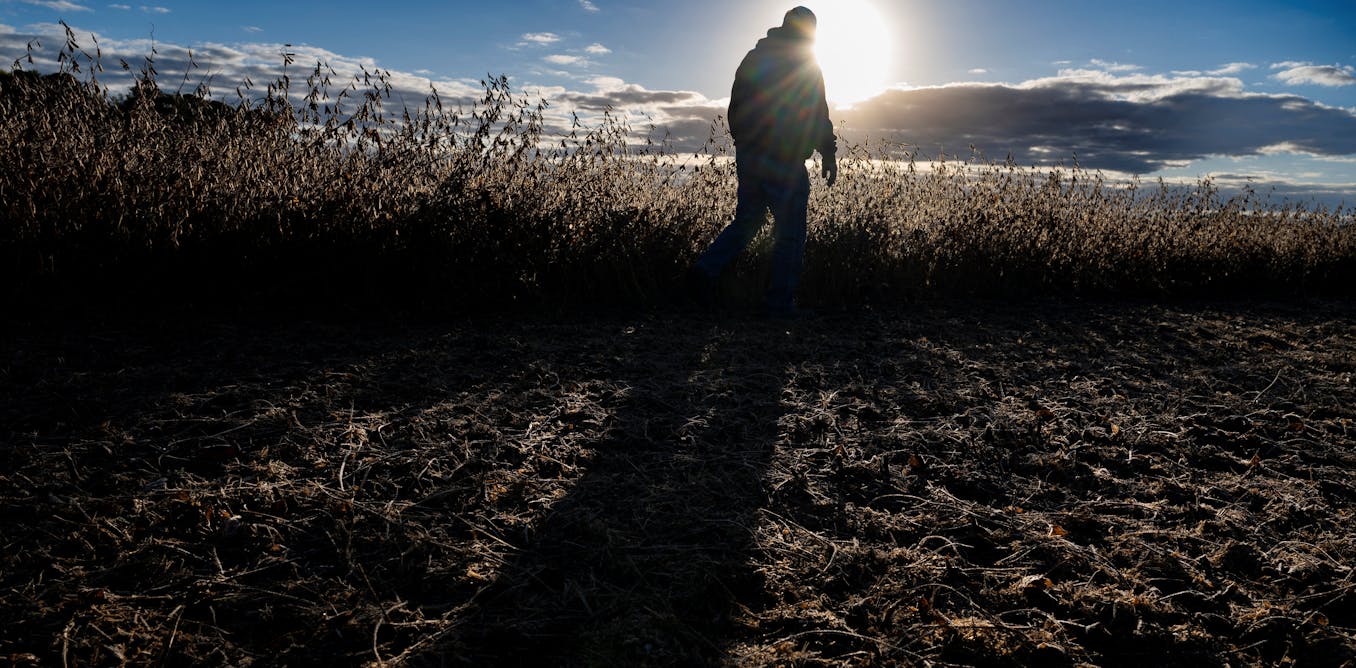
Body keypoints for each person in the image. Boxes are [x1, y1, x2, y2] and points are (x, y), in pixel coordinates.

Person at [689, 6, 837, 317]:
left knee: (748, 222)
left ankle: (703, 272)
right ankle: (778, 304)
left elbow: (736, 108)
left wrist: (745, 144)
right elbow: (816, 113)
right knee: (790, 231)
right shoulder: (805, 63)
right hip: (783, 158)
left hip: (751, 155)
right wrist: (828, 153)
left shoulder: (754, 58)